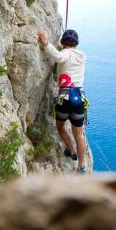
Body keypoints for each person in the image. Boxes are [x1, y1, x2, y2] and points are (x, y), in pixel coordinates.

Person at [36, 28, 88, 173]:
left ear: (63, 43)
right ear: (76, 44)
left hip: (64, 97)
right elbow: (69, 55)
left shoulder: (64, 54)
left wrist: (46, 43)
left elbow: (60, 57)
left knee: (60, 126)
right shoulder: (82, 56)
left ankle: (72, 151)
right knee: (79, 134)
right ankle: (82, 166)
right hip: (79, 98)